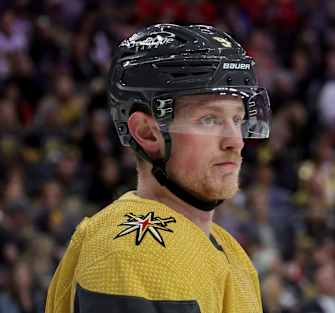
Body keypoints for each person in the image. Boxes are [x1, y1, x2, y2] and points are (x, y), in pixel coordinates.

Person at [45, 23, 271, 313]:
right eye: (209, 120)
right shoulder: (140, 249)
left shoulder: (227, 248)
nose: (235, 142)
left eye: (237, 120)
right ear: (147, 133)